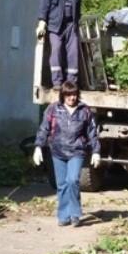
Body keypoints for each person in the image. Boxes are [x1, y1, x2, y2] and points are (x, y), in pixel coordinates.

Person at [33, 81, 101, 226]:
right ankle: (63, 216)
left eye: (74, 94)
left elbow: (92, 133)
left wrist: (96, 151)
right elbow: (44, 128)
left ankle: (75, 214)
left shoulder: (84, 111)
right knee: (62, 184)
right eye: (68, 95)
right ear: (63, 95)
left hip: (76, 151)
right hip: (57, 151)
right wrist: (38, 147)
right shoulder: (53, 109)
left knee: (73, 181)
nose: (72, 98)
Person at [36, 0, 82, 89]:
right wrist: (42, 22)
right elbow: (44, 7)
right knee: (56, 50)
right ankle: (57, 82)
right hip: (55, 26)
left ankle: (71, 82)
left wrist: (77, 23)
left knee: (73, 53)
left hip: (71, 25)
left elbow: (78, 10)